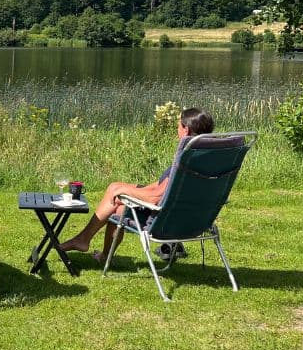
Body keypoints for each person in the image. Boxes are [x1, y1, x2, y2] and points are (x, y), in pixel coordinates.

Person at [60, 107, 215, 262]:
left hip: (168, 222)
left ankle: (83, 240)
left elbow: (156, 197)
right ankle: (101, 253)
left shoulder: (186, 157)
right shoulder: (211, 157)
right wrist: (126, 189)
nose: (177, 129)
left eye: (179, 126)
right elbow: (164, 186)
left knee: (117, 199)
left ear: (186, 130)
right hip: (197, 220)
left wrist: (122, 190)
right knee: (118, 199)